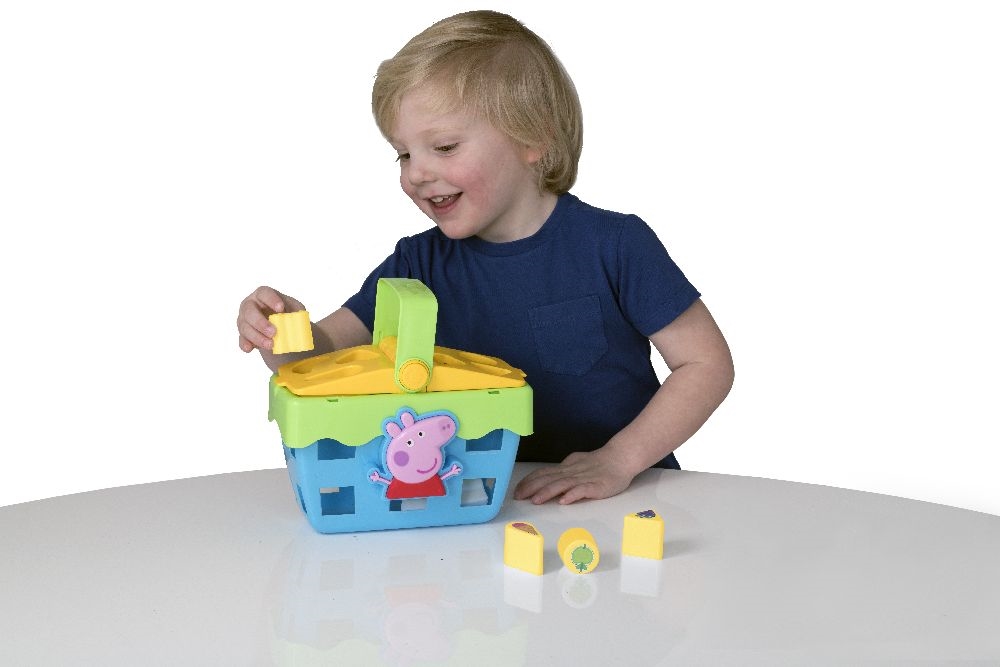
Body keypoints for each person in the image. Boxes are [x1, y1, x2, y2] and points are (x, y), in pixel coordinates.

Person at [237, 10, 734, 505]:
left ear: (532, 138)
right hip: (471, 503)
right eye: (404, 154)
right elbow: (320, 358)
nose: (416, 173)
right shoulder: (416, 265)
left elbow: (705, 363)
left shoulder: (615, 244)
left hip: (625, 499)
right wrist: (279, 331)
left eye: (444, 146)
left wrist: (618, 459)